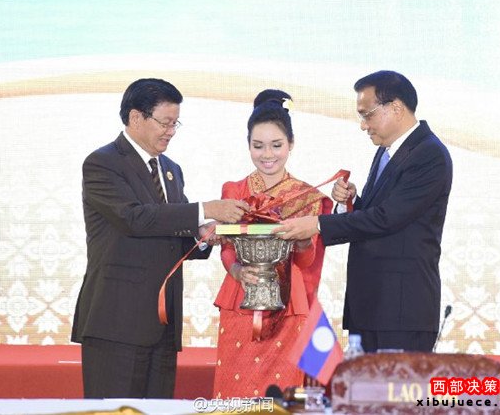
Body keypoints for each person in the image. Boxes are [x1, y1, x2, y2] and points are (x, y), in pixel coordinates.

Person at [71, 78, 249, 398]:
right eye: (165, 122)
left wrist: (203, 235)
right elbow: (135, 219)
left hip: (163, 323)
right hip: (117, 323)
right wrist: (205, 209)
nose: (171, 131)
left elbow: (173, 232)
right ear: (136, 117)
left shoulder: (171, 169)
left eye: (175, 123)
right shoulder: (103, 163)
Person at [275, 71, 453, 353]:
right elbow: (379, 214)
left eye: (367, 115)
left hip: (401, 311)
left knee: (394, 384)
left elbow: (387, 219)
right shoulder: (386, 151)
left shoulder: (429, 154)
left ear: (396, 107)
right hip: (372, 305)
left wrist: (319, 224)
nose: (363, 125)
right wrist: (353, 202)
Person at [212, 90, 333, 399]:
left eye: (277, 145)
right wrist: (237, 271)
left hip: (288, 307)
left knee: (281, 395)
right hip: (241, 300)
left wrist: (302, 241)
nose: (268, 154)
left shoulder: (306, 197)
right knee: (235, 392)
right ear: (248, 145)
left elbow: (307, 262)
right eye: (258, 146)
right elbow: (227, 246)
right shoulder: (234, 190)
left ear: (291, 144)